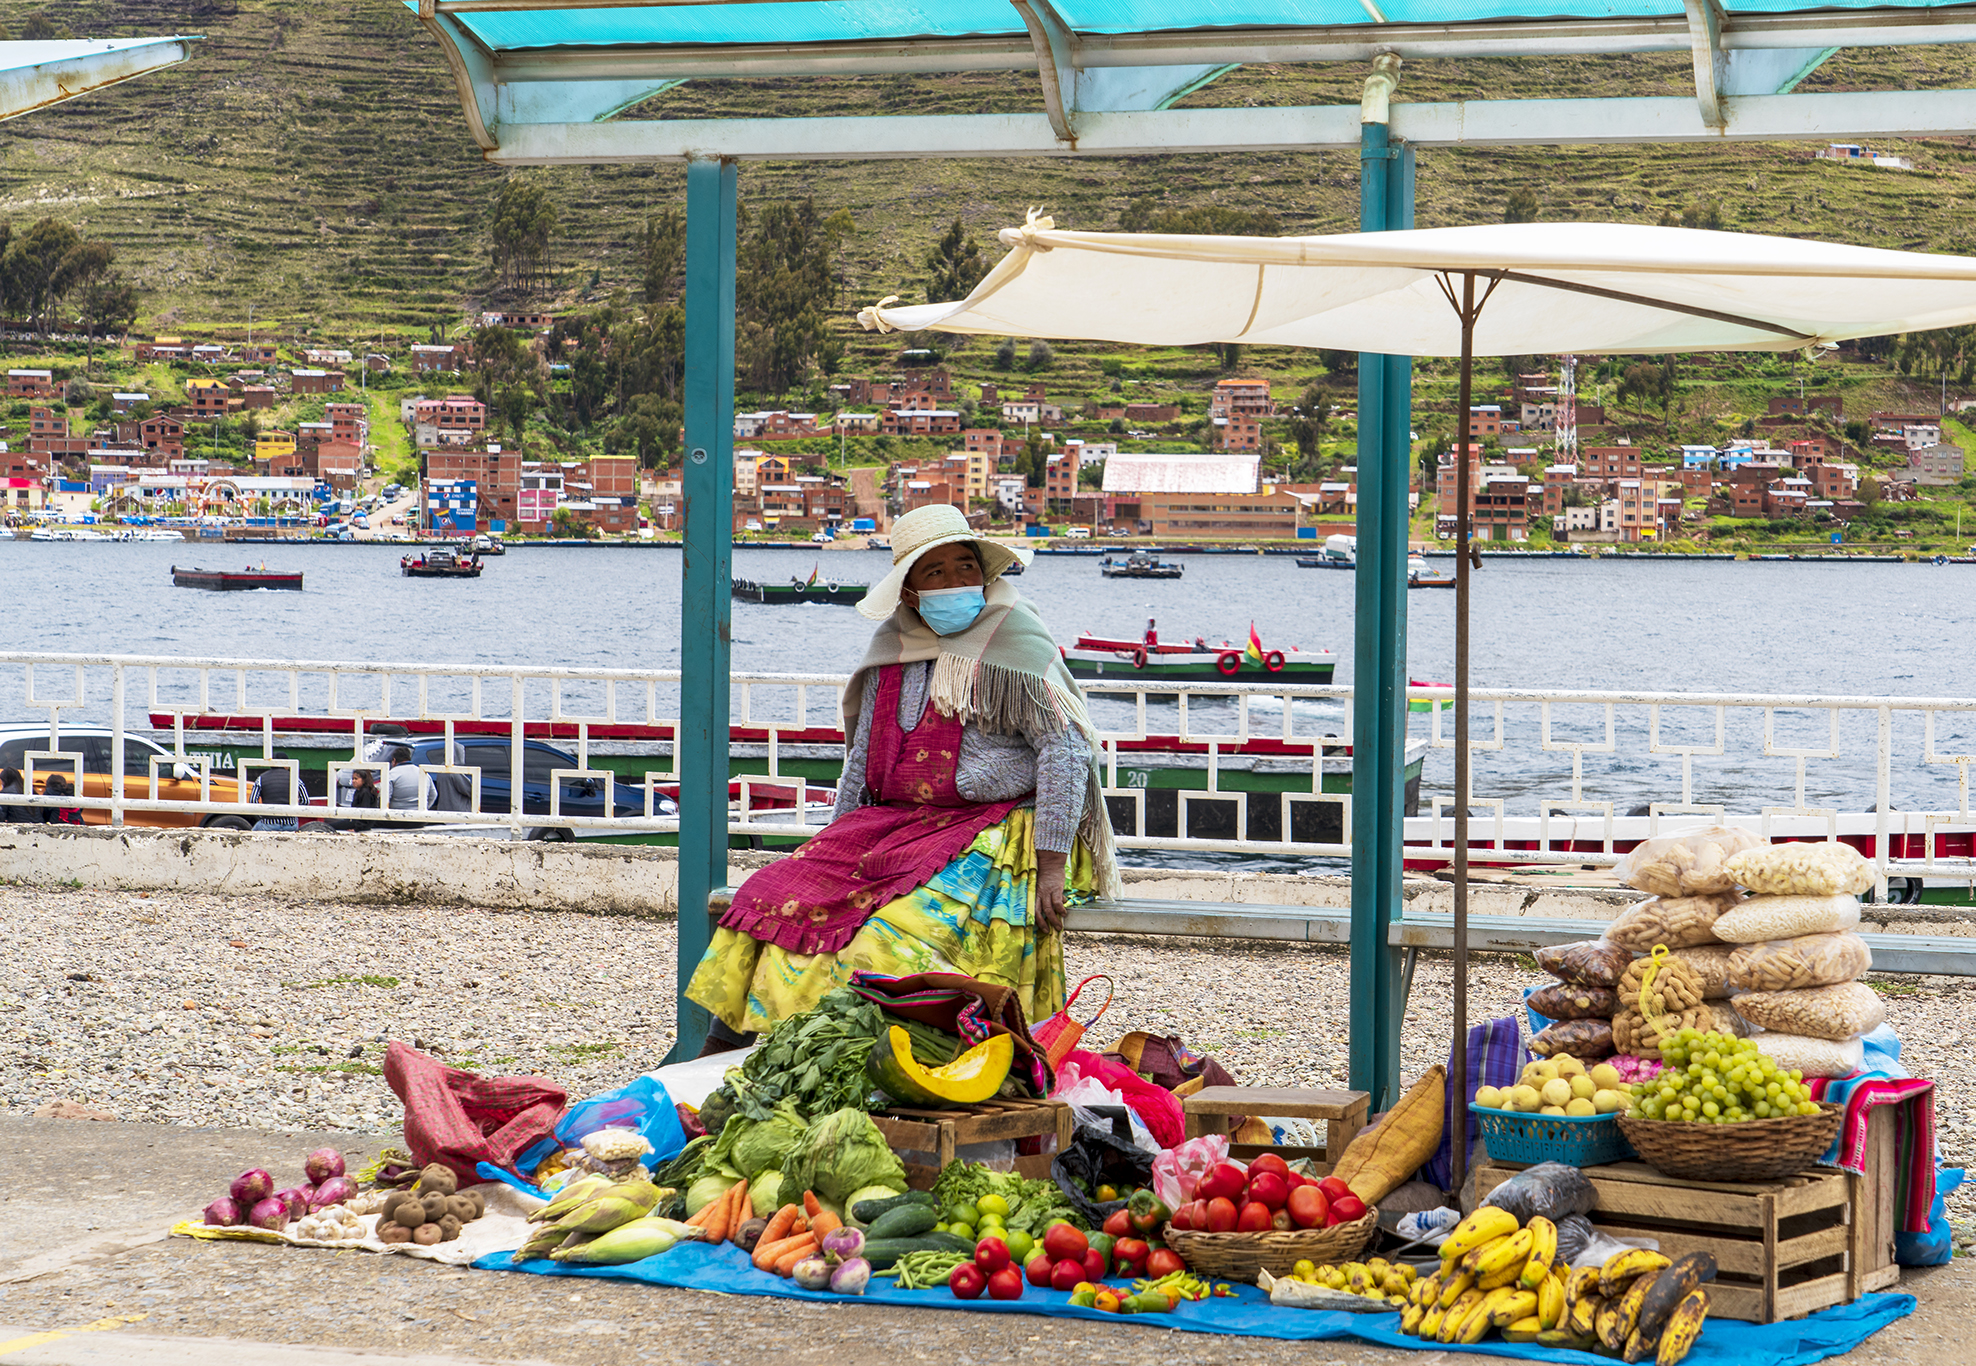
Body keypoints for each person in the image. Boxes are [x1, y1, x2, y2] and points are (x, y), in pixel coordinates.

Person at [686, 503, 1120, 1049]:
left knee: (882, 942)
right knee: (764, 898)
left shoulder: (1015, 646)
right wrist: (830, 848)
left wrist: (1052, 866)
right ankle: (723, 1058)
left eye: (965, 567)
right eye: (934, 572)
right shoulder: (894, 650)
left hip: (991, 826)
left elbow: (1065, 749)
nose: (955, 581)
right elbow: (862, 759)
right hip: (897, 823)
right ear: (910, 591)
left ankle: (844, 1057)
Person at [249, 752, 310, 832]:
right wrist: (294, 814)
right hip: (290, 825)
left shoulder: (261, 778)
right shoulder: (295, 779)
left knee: (251, 834)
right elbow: (305, 800)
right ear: (286, 764)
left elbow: (252, 801)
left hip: (268, 824)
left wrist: (263, 816)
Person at [382, 745, 438, 813]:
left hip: (396, 818)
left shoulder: (391, 774)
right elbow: (433, 795)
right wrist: (424, 808)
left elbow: (384, 798)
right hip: (420, 818)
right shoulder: (423, 773)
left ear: (394, 760)